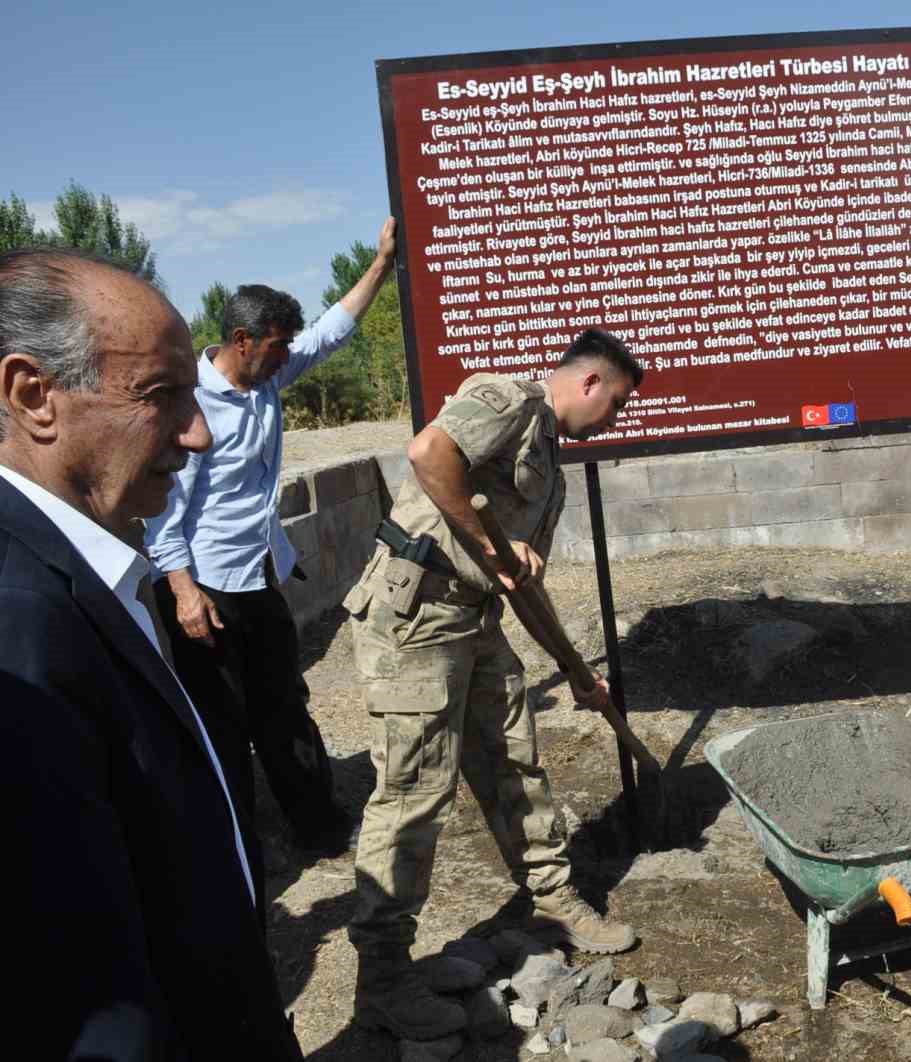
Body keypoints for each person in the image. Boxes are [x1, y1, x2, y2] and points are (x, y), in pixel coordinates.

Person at [0, 248, 302, 1058]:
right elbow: (87, 998)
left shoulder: (88, 567)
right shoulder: (19, 624)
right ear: (34, 396)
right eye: (162, 396)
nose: (198, 434)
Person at [346, 328, 642, 1041]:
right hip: (415, 612)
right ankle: (382, 979)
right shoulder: (506, 398)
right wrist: (486, 544)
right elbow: (428, 454)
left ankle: (552, 896)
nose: (616, 420)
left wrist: (576, 673)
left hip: (473, 617)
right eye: (618, 403)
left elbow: (520, 587)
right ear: (591, 383)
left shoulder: (554, 477)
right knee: (416, 791)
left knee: (514, 757)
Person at [143, 220, 397, 870]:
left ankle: (317, 825)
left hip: (259, 573)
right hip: (205, 585)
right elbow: (165, 507)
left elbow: (328, 334)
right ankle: (239, 848)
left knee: (283, 705)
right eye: (278, 347)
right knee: (224, 722)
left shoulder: (265, 382)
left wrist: (381, 265)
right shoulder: (192, 404)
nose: (289, 357)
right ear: (242, 341)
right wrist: (182, 592)